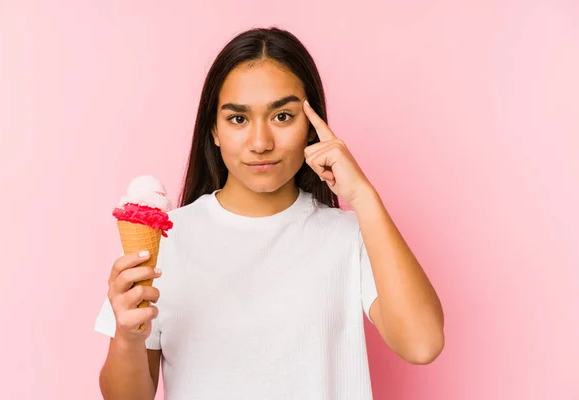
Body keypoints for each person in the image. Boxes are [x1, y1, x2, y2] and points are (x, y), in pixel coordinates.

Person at [94, 26, 445, 400]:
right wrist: (127, 337)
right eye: (238, 119)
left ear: (311, 127)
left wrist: (363, 195)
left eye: (282, 116)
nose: (260, 143)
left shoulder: (352, 237)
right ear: (213, 129)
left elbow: (422, 344)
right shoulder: (167, 239)